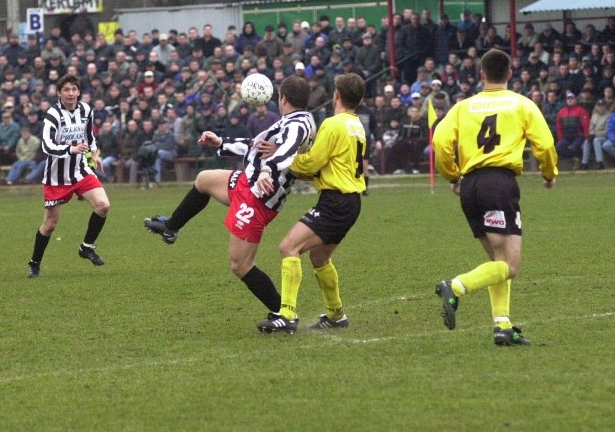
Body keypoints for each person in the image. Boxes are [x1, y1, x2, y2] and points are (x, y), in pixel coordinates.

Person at [142, 76, 315, 316]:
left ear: (282, 98)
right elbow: (256, 145)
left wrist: (266, 170)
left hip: (258, 197)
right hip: (247, 182)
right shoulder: (290, 120)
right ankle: (171, 227)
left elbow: (285, 152)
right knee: (203, 180)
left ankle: (284, 313)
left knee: (240, 265)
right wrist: (221, 142)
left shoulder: (297, 125)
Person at [432, 48, 558, 347]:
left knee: (497, 261)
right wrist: (549, 173)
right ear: (510, 74)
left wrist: (453, 175)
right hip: (498, 185)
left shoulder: (463, 107)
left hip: (471, 186)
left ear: (482, 75)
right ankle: (456, 287)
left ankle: (502, 326)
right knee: (510, 265)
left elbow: (439, 141)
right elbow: (545, 143)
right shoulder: (521, 104)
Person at [256, 73, 367, 333]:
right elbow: (323, 165)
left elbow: (313, 162)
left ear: (336, 95)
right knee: (319, 257)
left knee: (288, 247)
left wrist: (282, 156)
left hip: (335, 201)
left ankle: (287, 315)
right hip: (350, 202)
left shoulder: (333, 124)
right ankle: (336, 315)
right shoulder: (356, 125)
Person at [27, 74, 111, 278]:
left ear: (79, 92)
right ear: (59, 93)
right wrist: (70, 149)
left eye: (74, 89)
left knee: (103, 205)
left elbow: (89, 136)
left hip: (81, 171)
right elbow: (47, 145)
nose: (71, 93)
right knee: (50, 225)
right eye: (66, 90)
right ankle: (35, 263)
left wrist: (94, 153)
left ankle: (86, 247)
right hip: (56, 177)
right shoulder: (53, 115)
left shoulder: (86, 110)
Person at [555, 92, 589, 168]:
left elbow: (586, 125)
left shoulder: (581, 110)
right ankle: (575, 159)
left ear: (575, 100)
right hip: (566, 137)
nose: (570, 100)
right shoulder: (562, 112)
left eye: (572, 99)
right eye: (568, 99)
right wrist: (561, 138)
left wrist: (586, 138)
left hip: (578, 136)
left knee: (574, 148)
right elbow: (559, 126)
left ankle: (577, 158)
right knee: (559, 147)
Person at [581, 99, 611, 170]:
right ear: (597, 106)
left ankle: (600, 162)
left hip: (605, 137)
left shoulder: (609, 115)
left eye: (602, 106)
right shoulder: (594, 115)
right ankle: (584, 163)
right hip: (594, 135)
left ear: (605, 106)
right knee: (587, 141)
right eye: (599, 106)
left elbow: (607, 131)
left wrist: (595, 135)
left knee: (596, 140)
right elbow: (591, 127)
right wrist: (591, 135)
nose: (600, 107)